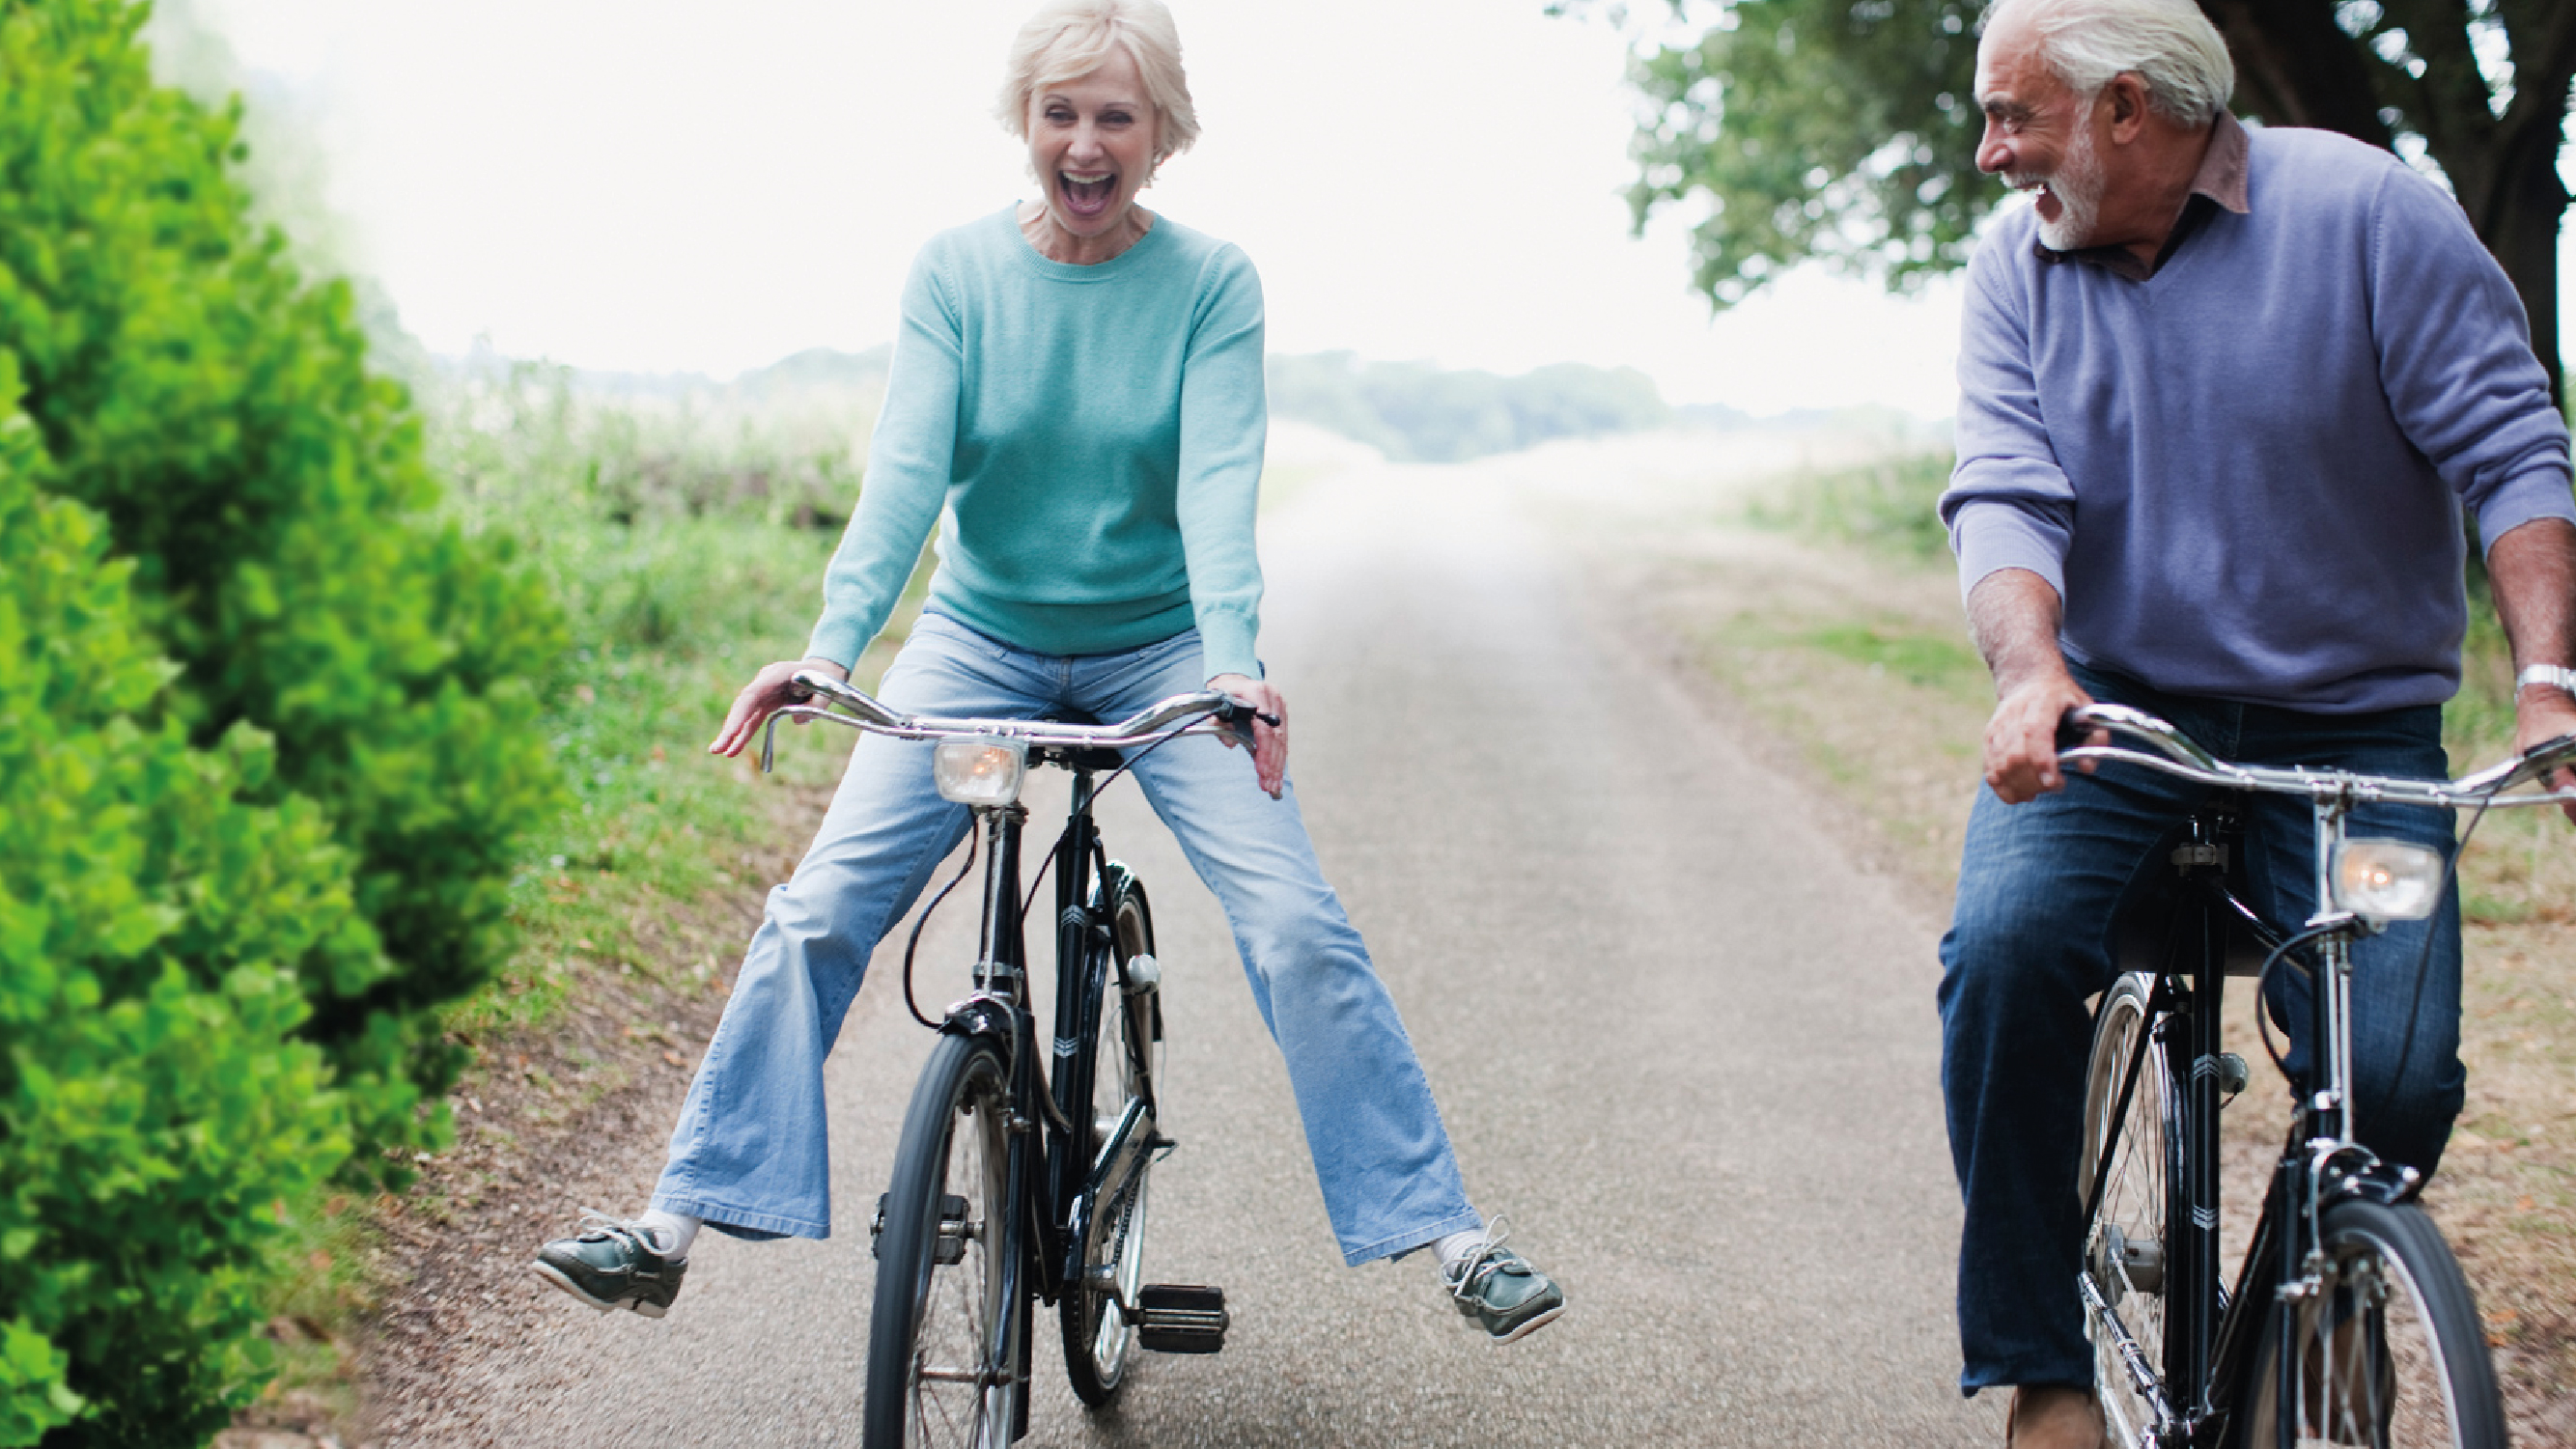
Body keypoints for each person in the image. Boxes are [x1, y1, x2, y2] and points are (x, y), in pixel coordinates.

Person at [530, 0, 1563, 1346]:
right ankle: (670, 1222)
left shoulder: (1209, 283)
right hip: (980, 636)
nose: (1085, 143)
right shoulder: (958, 272)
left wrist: (1235, 668)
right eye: (1060, 113)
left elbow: (1215, 489)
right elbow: (904, 477)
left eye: (1115, 117)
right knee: (823, 905)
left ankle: (1451, 1233)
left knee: (1296, 923)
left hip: (1163, 643)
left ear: (1162, 135)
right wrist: (831, 652)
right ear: (1026, 123)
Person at [1935, 0, 2576, 1442]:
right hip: (2118, 719)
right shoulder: (2015, 267)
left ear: (2129, 110)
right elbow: (2006, 491)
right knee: (2007, 952)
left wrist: (2547, 683)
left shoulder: (2368, 216)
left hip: (2362, 743)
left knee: (2397, 1083)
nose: (1990, 154)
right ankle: (2045, 1366)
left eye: (2014, 114)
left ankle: (2302, 1293)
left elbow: (2513, 446)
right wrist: (2031, 670)